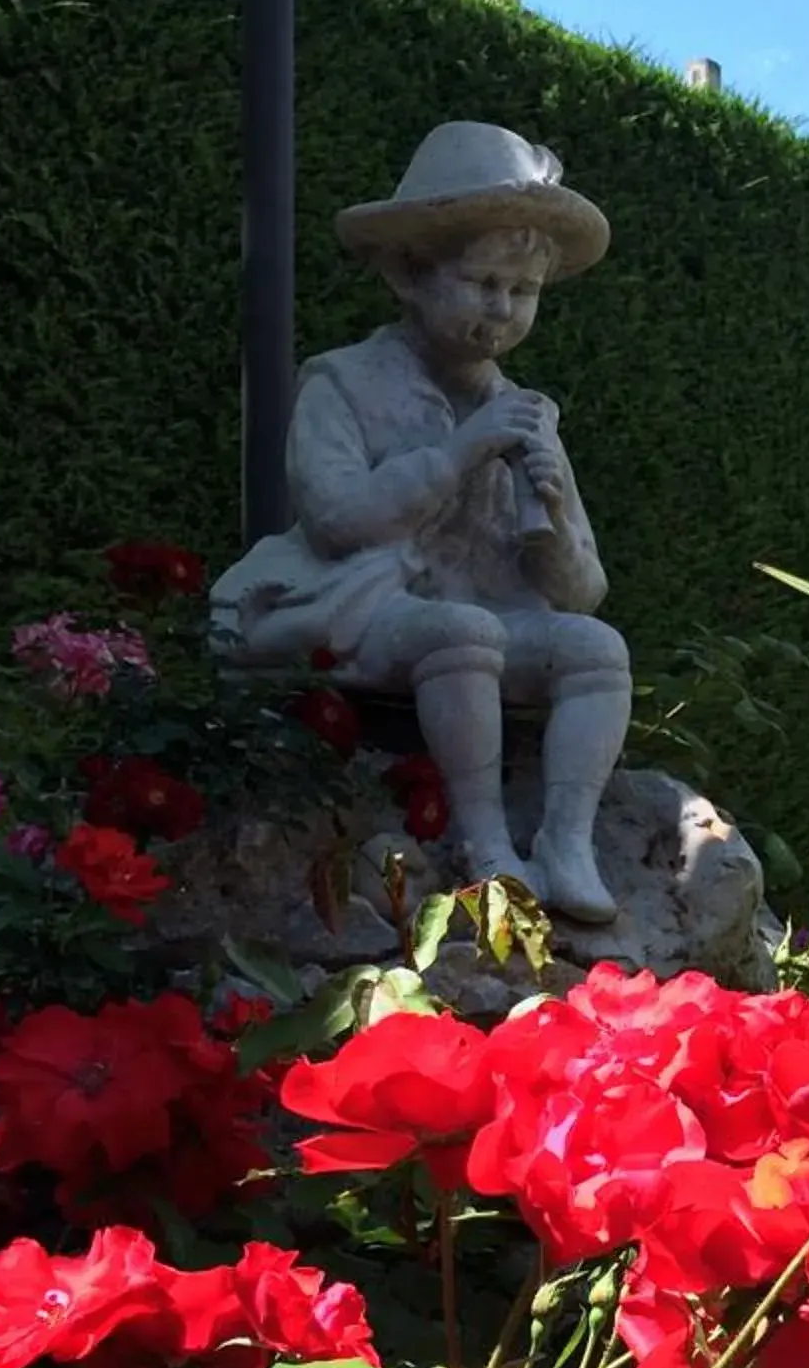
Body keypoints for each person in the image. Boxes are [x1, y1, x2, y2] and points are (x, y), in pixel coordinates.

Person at [210, 122, 630, 924]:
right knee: (461, 633)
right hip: (363, 606)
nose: (502, 311)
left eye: (523, 292)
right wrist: (461, 452)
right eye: (482, 283)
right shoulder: (342, 383)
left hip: (492, 619)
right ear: (410, 272)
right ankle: (486, 844)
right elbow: (336, 522)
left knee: (595, 651)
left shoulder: (527, 413)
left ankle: (566, 840)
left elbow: (585, 593)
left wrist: (558, 519)